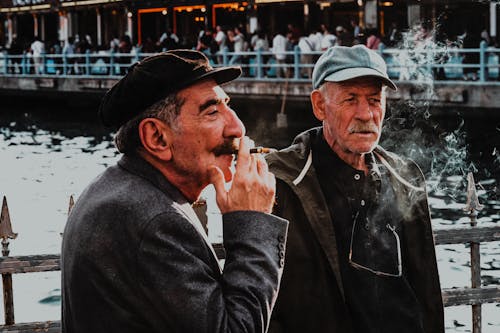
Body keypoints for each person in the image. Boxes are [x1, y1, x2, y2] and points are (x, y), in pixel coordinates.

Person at [62, 49, 288, 332]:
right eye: (212, 111)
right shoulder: (152, 220)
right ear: (157, 137)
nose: (237, 128)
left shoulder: (122, 190)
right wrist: (253, 222)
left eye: (228, 105)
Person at [266, 45, 444, 333]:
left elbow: (427, 291)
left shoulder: (404, 176)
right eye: (350, 99)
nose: (366, 114)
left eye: (374, 100)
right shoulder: (280, 179)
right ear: (319, 105)